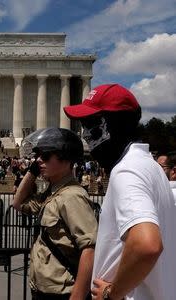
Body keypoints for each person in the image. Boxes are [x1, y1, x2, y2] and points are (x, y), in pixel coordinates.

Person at [64, 83, 176, 300]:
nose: (85, 134)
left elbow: (147, 245)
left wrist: (111, 293)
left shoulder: (127, 170)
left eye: (90, 125)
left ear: (114, 126)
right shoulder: (150, 166)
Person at [12, 127, 97, 300]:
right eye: (38, 157)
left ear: (65, 158)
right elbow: (18, 203)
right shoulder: (53, 192)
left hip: (62, 294)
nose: (39, 160)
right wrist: (33, 171)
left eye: (45, 156)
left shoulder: (72, 196)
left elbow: (90, 249)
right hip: (44, 290)